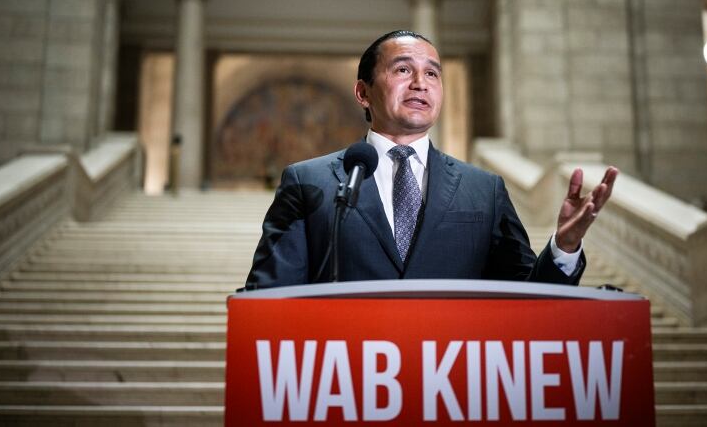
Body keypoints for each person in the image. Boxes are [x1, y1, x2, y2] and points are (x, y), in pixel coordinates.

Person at [243, 30, 617, 290]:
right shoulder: (310, 182)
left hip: (453, 388)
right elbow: (270, 297)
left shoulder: (483, 190)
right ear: (362, 91)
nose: (420, 83)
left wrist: (564, 247)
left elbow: (531, 303)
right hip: (347, 385)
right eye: (403, 69)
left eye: (433, 74)